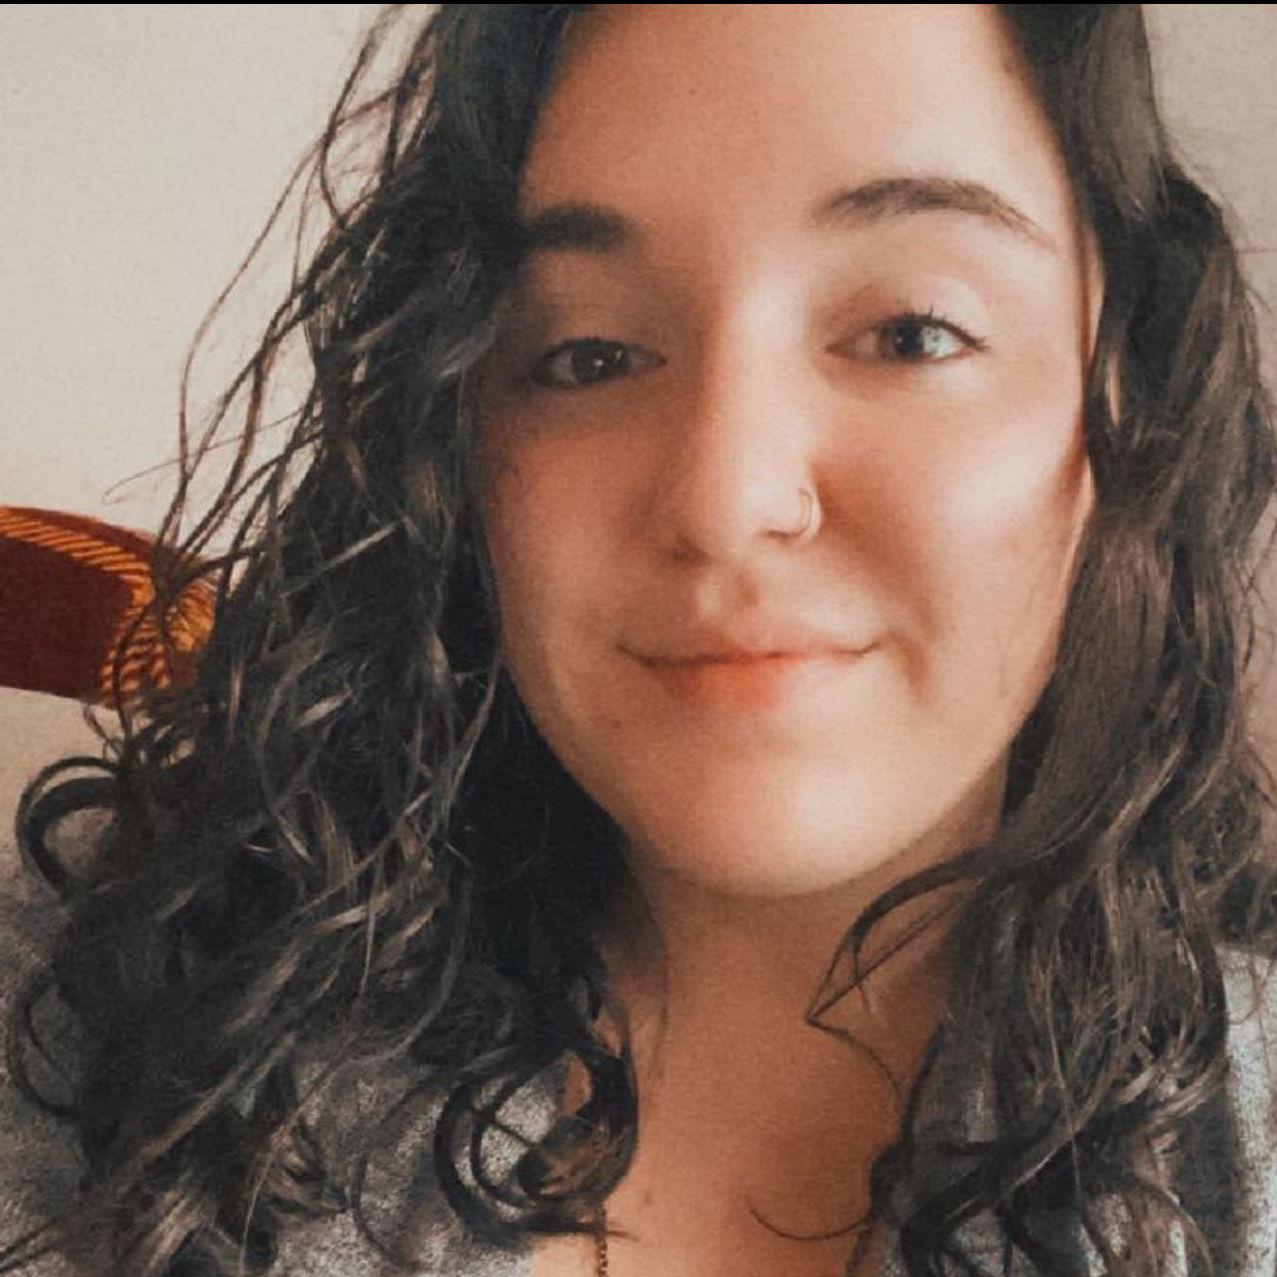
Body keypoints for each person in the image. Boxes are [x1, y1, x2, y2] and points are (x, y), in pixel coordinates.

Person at [3, 4, 1277, 1275]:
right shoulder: (102, 1026)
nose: (723, 497)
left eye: (911, 334)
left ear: (1121, 394)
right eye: (590, 353)